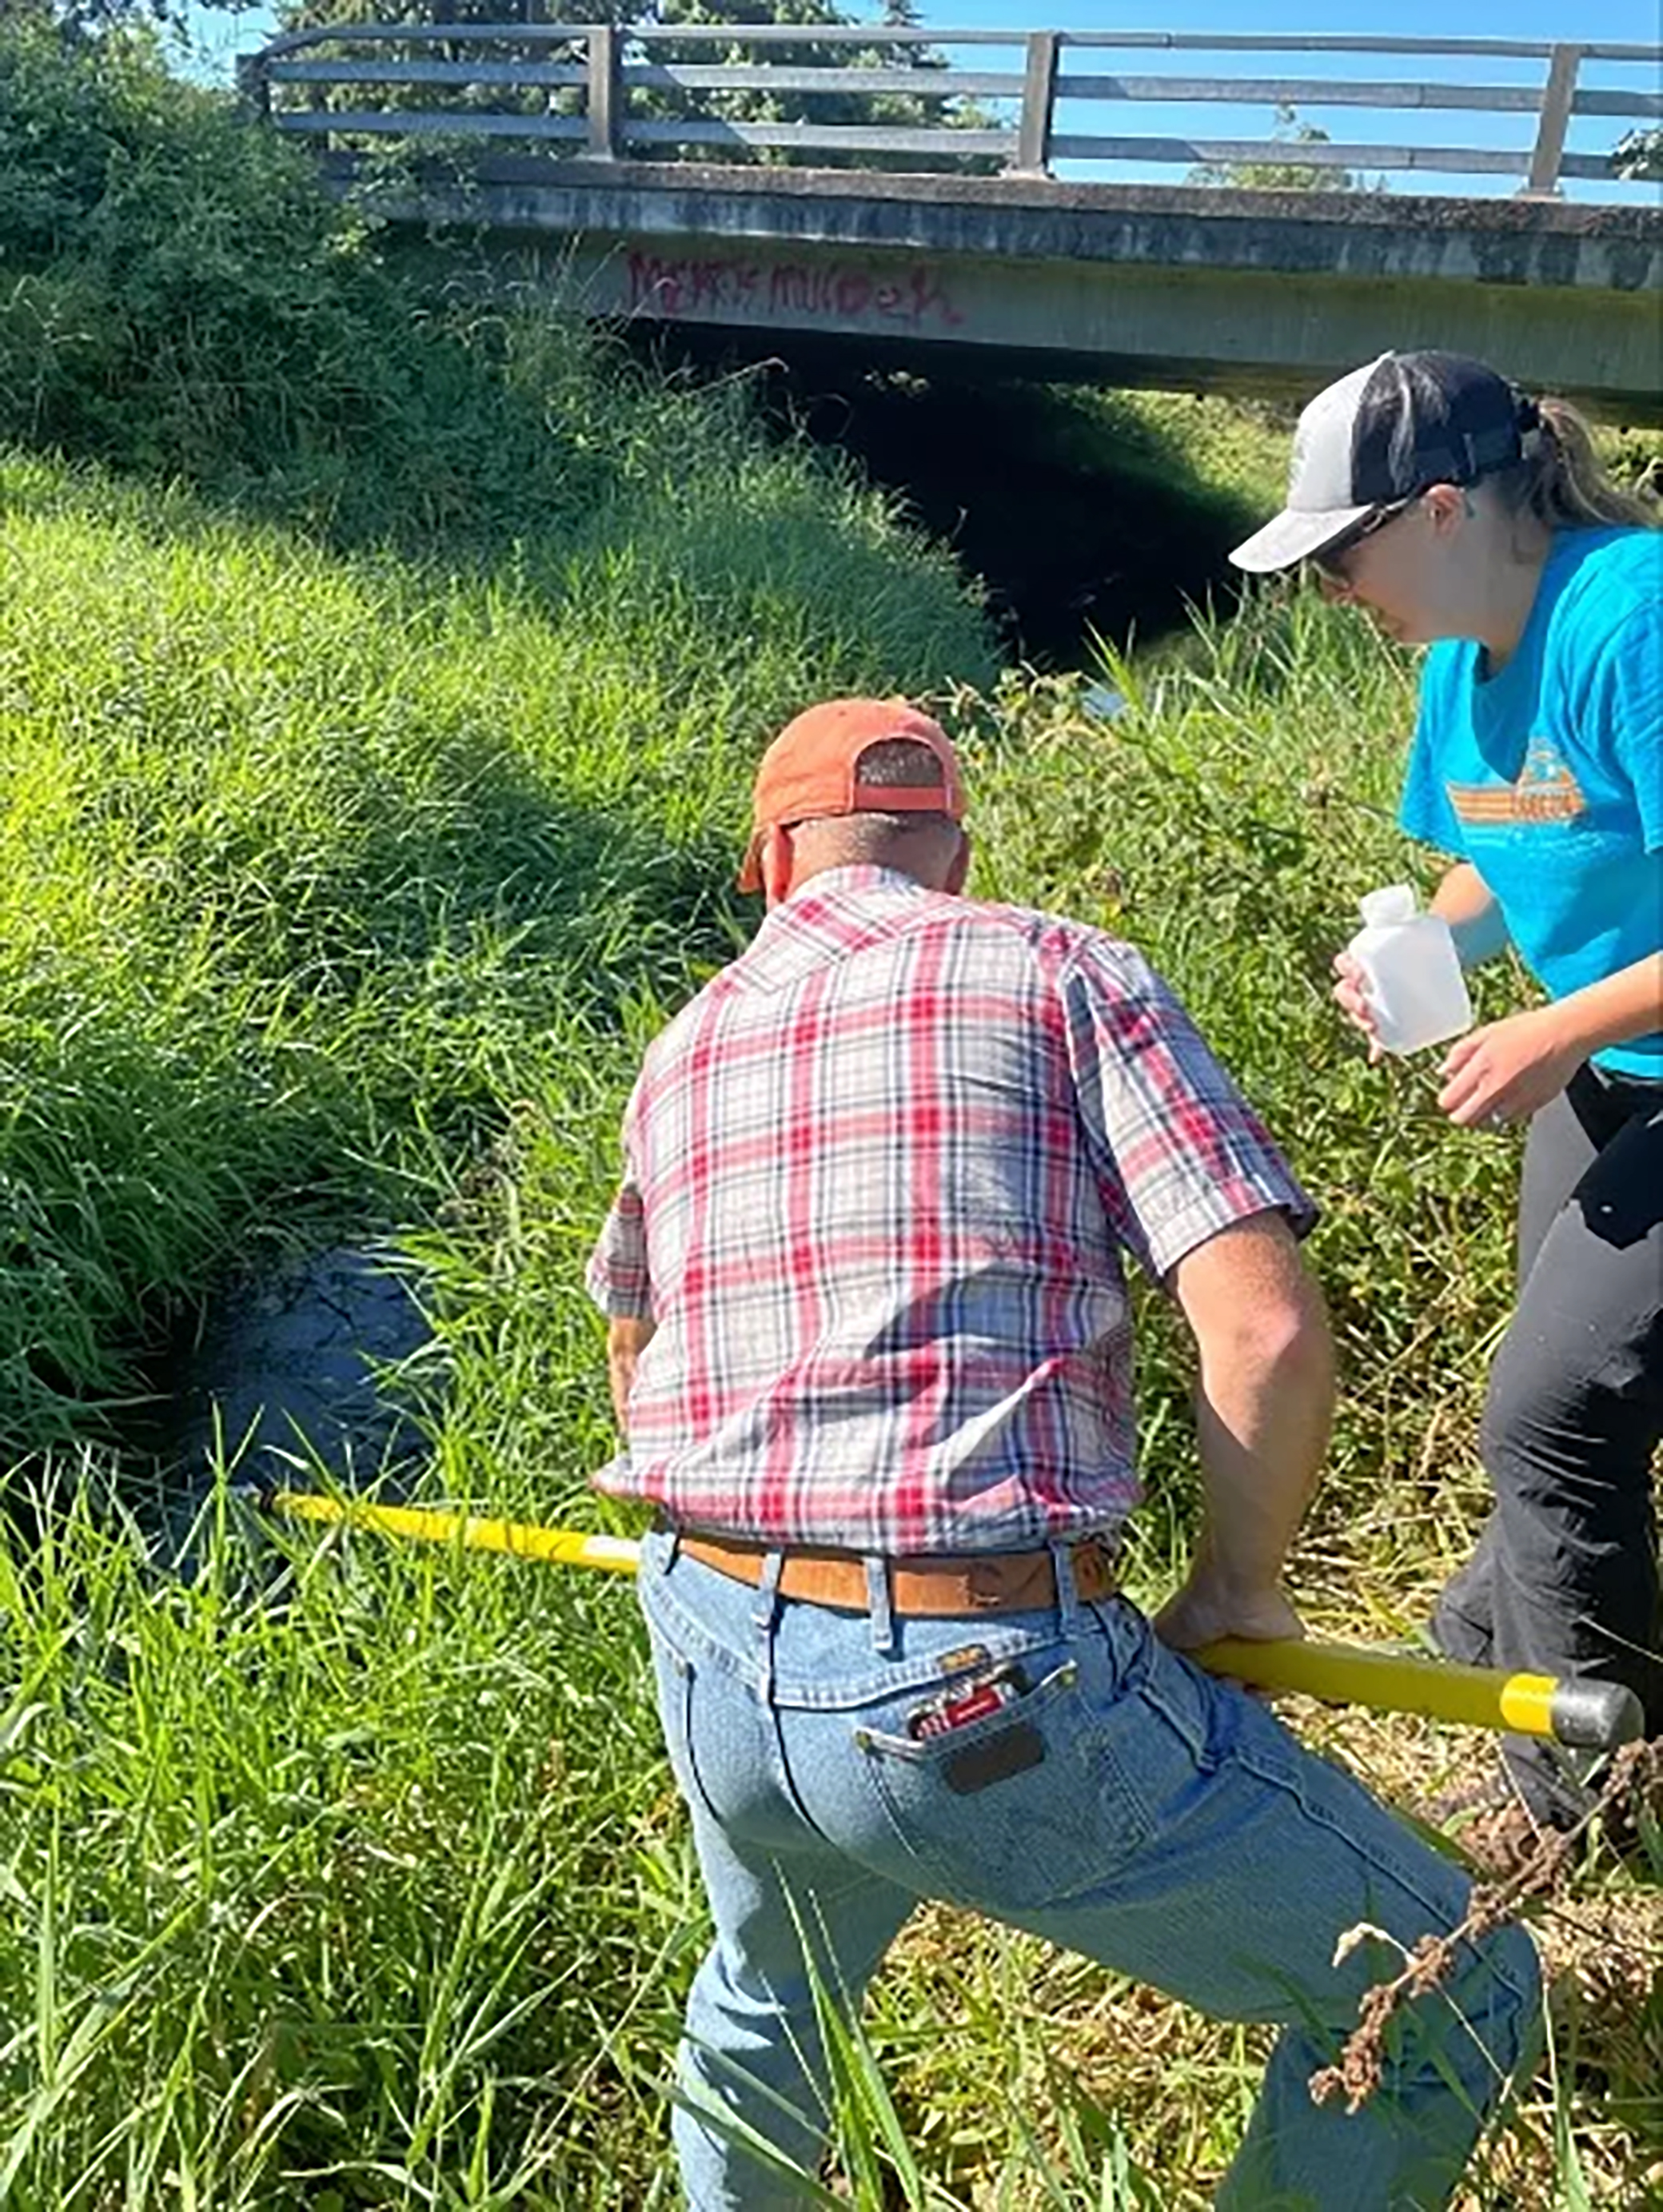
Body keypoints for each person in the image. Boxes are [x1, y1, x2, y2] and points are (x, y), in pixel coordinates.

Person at [586, 695, 1537, 2210]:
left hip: (703, 1634)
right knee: (1447, 1986)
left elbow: (635, 1358)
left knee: (765, 1999)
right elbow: (1267, 1332)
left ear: (773, 864)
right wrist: (1237, 1591)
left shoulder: (682, 1047)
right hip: (968, 1685)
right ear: (953, 849)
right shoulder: (1053, 966)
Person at [1231, 349, 1661, 1863]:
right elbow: (1505, 847)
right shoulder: (1448, 670)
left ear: (1432, 513)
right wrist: (1436, 941)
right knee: (1560, 1412)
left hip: (1625, 1065)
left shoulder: (1635, 614)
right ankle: (1493, 1653)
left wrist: (1555, 1025)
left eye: (1339, 557)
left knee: (1553, 1412)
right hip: (1609, 1079)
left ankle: (1584, 1813)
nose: (1336, 592)